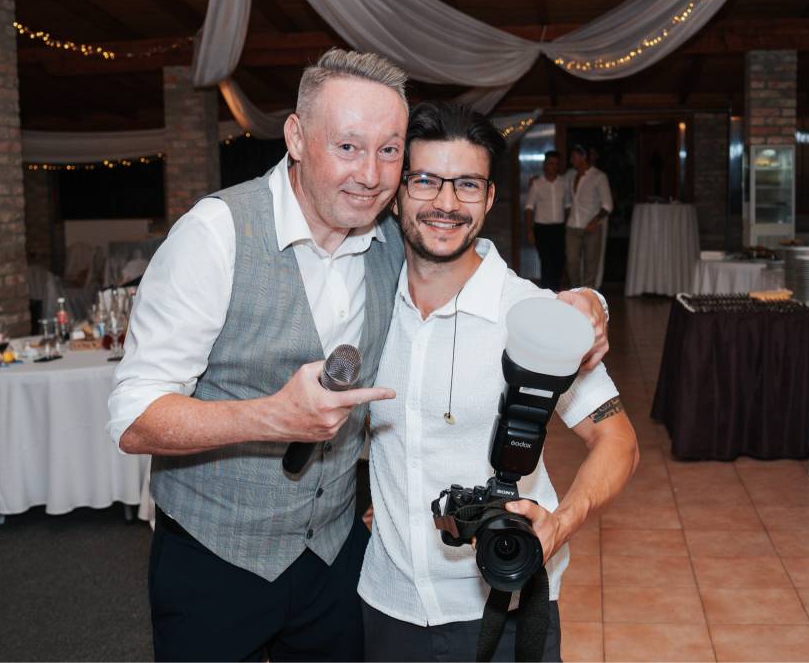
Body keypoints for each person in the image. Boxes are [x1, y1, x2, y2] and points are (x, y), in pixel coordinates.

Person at [108, 49, 610, 662]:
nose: (370, 175)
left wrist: (587, 301)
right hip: (217, 559)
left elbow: (461, 248)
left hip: (335, 563)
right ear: (296, 137)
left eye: (389, 150)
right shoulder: (216, 235)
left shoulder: (392, 244)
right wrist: (269, 416)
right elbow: (133, 418)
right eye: (347, 146)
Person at [358, 102, 638, 662]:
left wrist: (560, 525)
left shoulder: (531, 317)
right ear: (397, 193)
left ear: (489, 198)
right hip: (388, 604)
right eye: (426, 181)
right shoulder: (364, 304)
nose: (445, 203)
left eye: (467, 184)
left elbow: (619, 441)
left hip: (503, 605)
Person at [565, 145, 613, 289]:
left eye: (574, 157)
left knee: (591, 264)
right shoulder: (571, 175)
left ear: (583, 157)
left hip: (591, 226)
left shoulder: (599, 177)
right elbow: (561, 188)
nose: (571, 160)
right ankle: (576, 291)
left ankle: (588, 294)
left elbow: (608, 205)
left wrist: (595, 221)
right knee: (571, 261)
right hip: (572, 226)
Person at [524, 151, 569, 289]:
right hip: (542, 229)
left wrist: (568, 226)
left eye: (556, 164)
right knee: (546, 262)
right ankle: (547, 293)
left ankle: (555, 291)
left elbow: (568, 206)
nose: (553, 166)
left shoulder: (564, 183)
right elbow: (529, 208)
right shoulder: (537, 184)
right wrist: (530, 231)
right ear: (545, 165)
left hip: (559, 228)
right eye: (550, 163)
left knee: (559, 261)